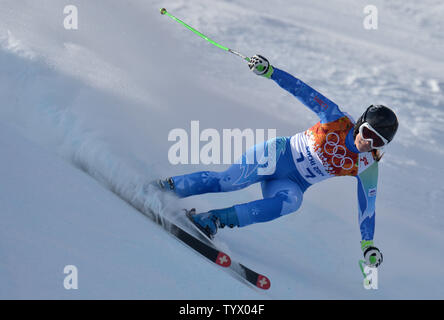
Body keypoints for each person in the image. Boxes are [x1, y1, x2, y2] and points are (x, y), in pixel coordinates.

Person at [158, 55, 398, 267]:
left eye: (377, 142)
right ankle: (170, 187)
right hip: (278, 155)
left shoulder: (367, 166)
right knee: (231, 182)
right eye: (367, 133)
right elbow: (301, 90)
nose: (368, 143)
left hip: (293, 182)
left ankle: (212, 220)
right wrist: (270, 71)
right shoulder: (336, 118)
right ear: (359, 124)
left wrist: (368, 245)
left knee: (292, 202)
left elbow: (367, 208)